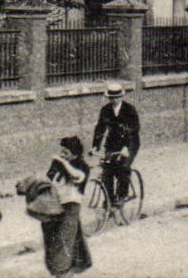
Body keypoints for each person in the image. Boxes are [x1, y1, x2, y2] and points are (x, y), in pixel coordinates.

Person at [41, 136, 92, 275]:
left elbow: (77, 176)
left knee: (63, 240)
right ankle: (68, 269)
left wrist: (63, 162)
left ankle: (63, 272)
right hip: (55, 205)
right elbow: (49, 179)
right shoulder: (57, 164)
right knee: (63, 238)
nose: (62, 154)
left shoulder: (81, 166)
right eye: (61, 151)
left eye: (66, 152)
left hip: (71, 206)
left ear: (74, 155)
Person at [90, 82, 140, 206]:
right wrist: (95, 146)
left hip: (130, 142)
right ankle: (109, 199)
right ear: (109, 98)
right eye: (112, 98)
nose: (115, 100)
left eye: (117, 97)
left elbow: (134, 129)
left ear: (121, 96)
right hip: (112, 143)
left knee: (123, 167)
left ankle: (122, 195)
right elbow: (100, 128)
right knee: (107, 170)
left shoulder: (129, 109)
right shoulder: (105, 110)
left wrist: (126, 148)